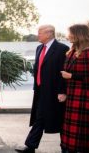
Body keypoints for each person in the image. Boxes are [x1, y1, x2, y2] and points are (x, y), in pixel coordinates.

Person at [15, 25, 69, 153]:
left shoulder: (62, 49)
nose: (38, 35)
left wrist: (62, 91)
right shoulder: (39, 48)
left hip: (55, 92)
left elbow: (65, 72)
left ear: (49, 34)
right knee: (39, 117)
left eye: (40, 33)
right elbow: (39, 68)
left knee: (60, 119)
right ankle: (30, 146)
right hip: (40, 91)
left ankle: (66, 148)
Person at [60, 24, 89, 153]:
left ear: (78, 35)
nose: (68, 36)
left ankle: (87, 148)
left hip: (83, 97)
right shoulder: (72, 51)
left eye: (70, 33)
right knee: (73, 128)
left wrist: (70, 76)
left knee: (81, 129)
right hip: (72, 94)